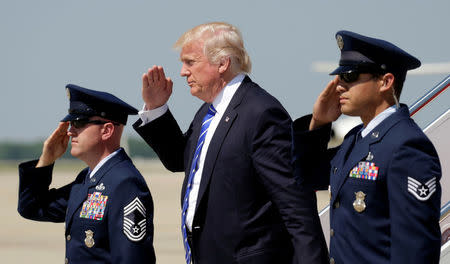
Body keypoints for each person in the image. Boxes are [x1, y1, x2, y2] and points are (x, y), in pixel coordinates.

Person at [133, 22, 328, 264]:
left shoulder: (261, 113)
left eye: (190, 62)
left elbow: (296, 206)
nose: (183, 72)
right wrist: (156, 108)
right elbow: (180, 159)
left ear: (222, 63)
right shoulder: (208, 111)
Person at [292, 30, 442, 264]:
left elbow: (415, 248)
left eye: (349, 76)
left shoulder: (406, 145)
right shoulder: (355, 139)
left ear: (385, 81)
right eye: (339, 77)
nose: (339, 86)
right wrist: (319, 123)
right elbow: (306, 176)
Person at [18, 84, 156, 264]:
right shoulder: (87, 179)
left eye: (78, 123)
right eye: (70, 123)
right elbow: (32, 208)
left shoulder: (124, 183)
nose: (70, 131)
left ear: (106, 130)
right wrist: (47, 159)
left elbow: (131, 258)